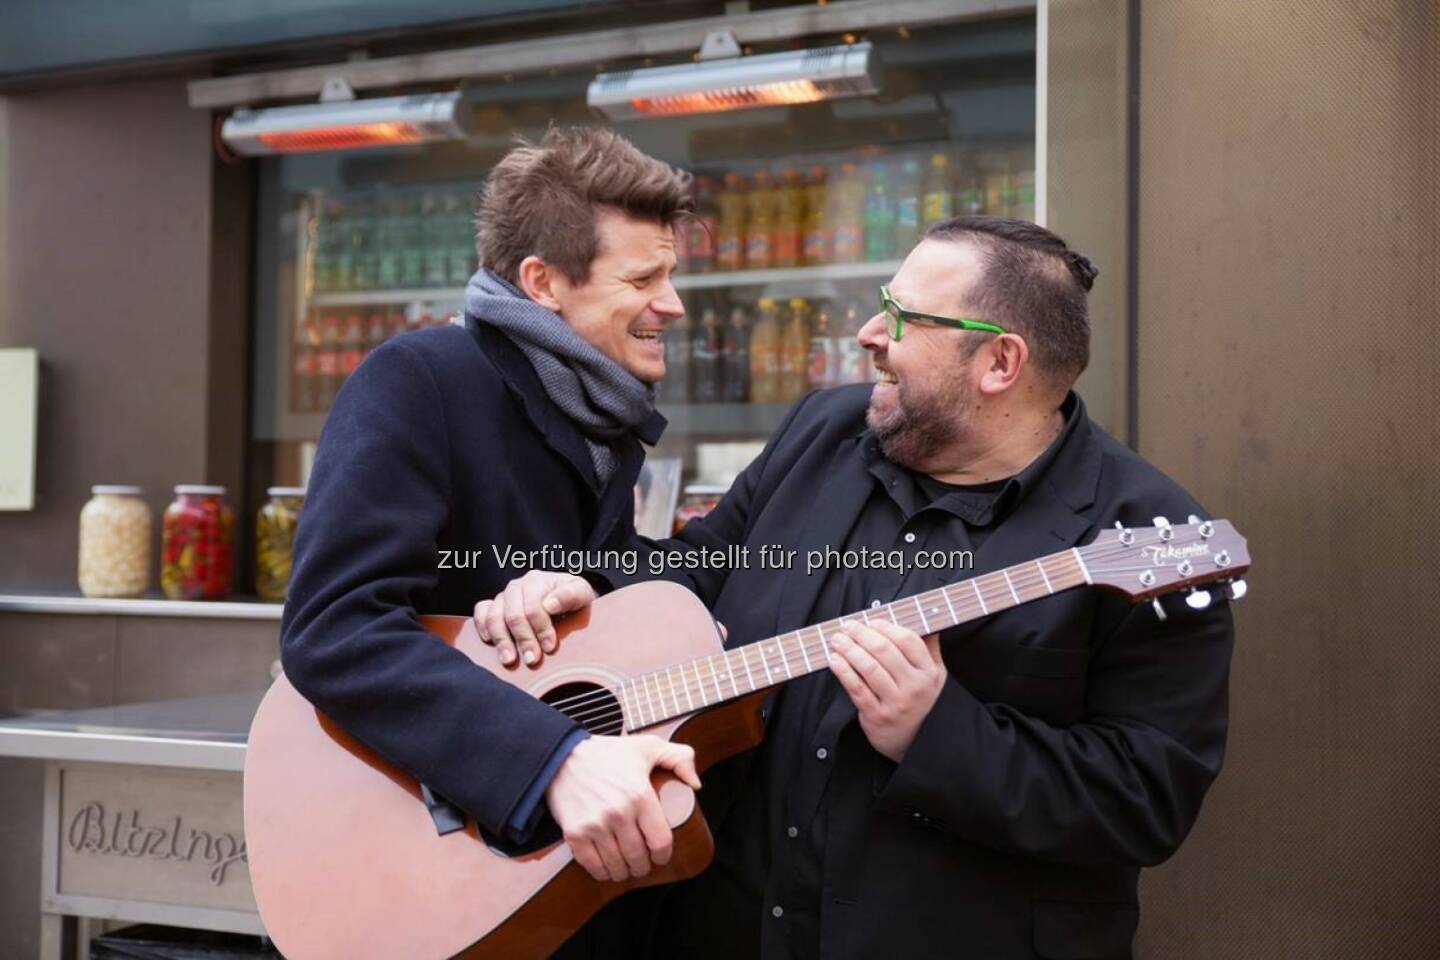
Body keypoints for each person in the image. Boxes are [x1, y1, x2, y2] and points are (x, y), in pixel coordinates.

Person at [475, 216, 1236, 959]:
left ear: (999, 364)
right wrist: (591, 588)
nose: (869, 333)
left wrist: (936, 733)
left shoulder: (1139, 532)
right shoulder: (826, 430)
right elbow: (705, 566)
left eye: (902, 317)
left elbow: (1145, 801)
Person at [279, 127, 705, 957]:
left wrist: (601, 584)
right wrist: (554, 759)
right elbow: (333, 629)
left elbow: (592, 574)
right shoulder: (419, 379)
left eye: (673, 275)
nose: (673, 305)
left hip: (545, 884)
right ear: (543, 282)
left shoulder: (596, 409)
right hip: (414, 874)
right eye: (644, 278)